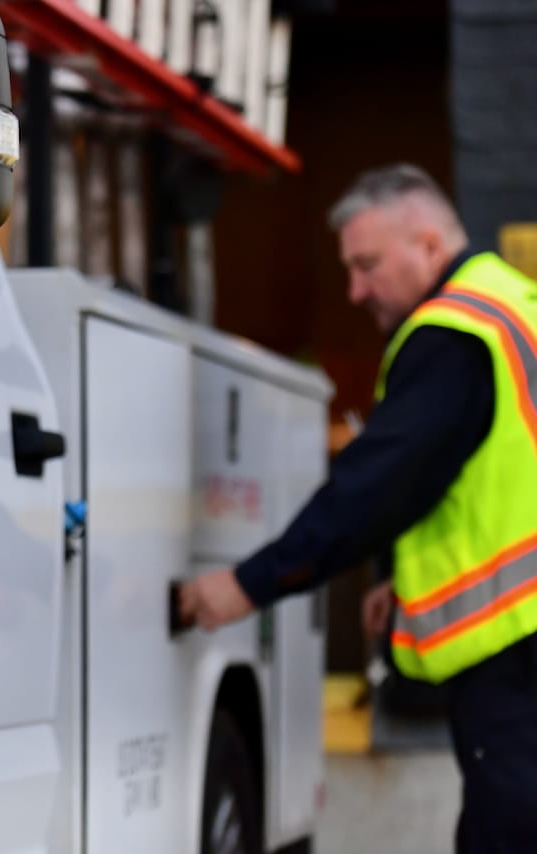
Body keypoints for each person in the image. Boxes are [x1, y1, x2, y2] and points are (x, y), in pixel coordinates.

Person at [178, 162, 537, 854]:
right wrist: (403, 576)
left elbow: (376, 487)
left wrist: (250, 583)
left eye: (367, 265)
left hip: (515, 650)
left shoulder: (454, 332)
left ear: (428, 245)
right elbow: (492, 471)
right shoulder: (514, 304)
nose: (355, 290)